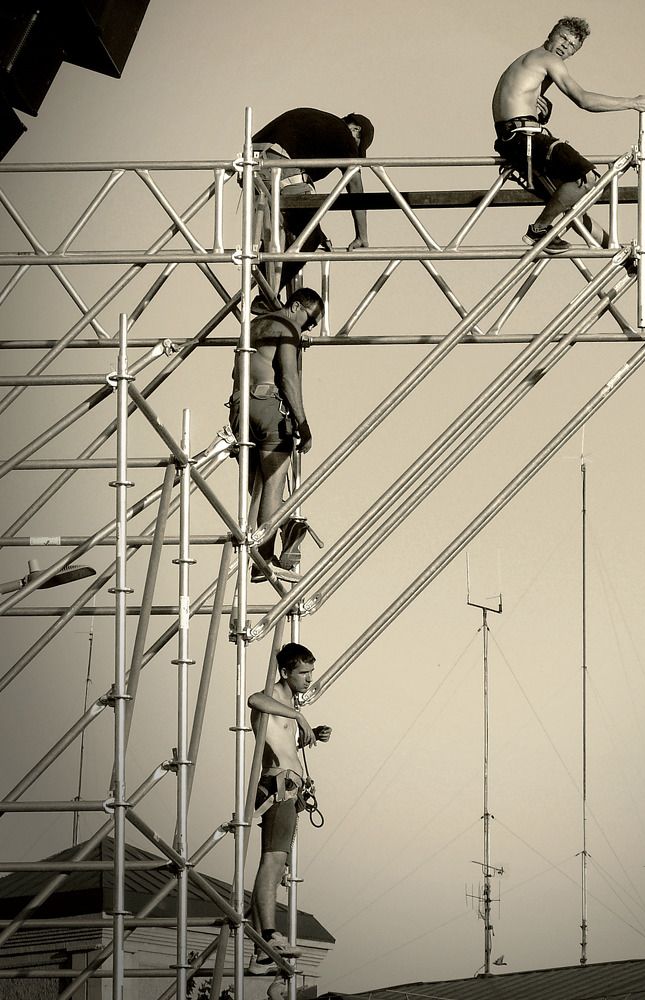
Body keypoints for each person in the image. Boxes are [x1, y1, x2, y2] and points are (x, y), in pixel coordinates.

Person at [492, 17, 645, 251]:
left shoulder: (528, 61)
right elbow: (583, 100)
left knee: (571, 200)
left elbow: (514, 100)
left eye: (572, 45)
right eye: (563, 38)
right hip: (522, 138)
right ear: (551, 35)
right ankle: (539, 230)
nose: (565, 46)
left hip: (513, 137)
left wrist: (538, 114)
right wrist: (632, 103)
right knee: (586, 178)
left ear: (575, 52)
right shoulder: (548, 59)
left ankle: (615, 252)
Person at [227, 288, 324, 581]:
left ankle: (286, 527)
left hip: (239, 409)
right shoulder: (286, 327)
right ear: (296, 306)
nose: (309, 328)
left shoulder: (253, 326)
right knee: (272, 484)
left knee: (257, 488)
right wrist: (303, 424)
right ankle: (265, 556)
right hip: (269, 408)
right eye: (310, 319)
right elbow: (288, 377)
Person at [247, 643, 332, 975]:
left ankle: (262, 951)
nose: (309, 679)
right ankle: (269, 936)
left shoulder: (287, 703)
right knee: (272, 862)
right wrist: (297, 715)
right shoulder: (273, 697)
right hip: (278, 786)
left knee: (275, 863)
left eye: (311, 672)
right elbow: (253, 699)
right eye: (303, 673)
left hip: (290, 788)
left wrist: (311, 734)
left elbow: (282, 743)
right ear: (285, 672)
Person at [252, 107, 374, 290]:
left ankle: (265, 287)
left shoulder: (321, 128)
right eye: (358, 146)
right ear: (356, 130)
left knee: (284, 236)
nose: (353, 150)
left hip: (252, 164)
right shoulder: (344, 135)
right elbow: (355, 184)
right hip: (278, 161)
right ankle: (267, 294)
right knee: (309, 238)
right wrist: (362, 236)